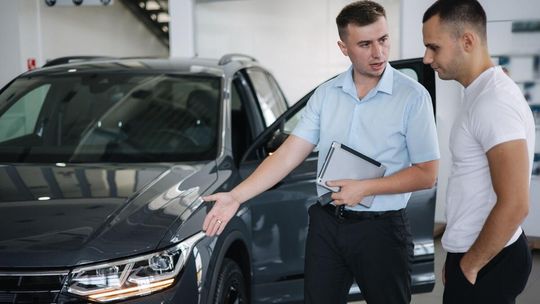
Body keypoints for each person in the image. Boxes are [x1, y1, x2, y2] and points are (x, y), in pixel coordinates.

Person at [204, 1, 440, 303]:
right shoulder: (326, 95)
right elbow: (290, 154)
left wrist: (366, 188)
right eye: (365, 44)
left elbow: (427, 173)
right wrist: (236, 196)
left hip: (382, 229)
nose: (378, 53)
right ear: (344, 47)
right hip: (328, 225)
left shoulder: (413, 97)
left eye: (383, 40)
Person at [421, 1, 536, 303]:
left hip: (488, 262)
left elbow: (515, 204)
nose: (427, 58)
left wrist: (470, 263)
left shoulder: (493, 102)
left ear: (467, 41)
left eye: (434, 47)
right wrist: (457, 251)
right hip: (479, 252)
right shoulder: (480, 94)